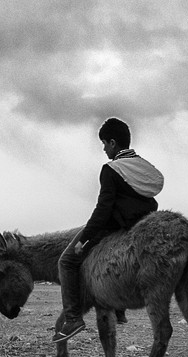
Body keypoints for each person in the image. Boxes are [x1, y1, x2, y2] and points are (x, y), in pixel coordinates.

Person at [57, 117, 164, 338]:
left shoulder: (111, 169)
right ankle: (120, 310)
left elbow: (103, 209)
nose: (104, 149)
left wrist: (84, 238)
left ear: (113, 143)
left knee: (66, 262)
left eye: (105, 144)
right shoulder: (143, 167)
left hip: (115, 225)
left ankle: (73, 318)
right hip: (140, 225)